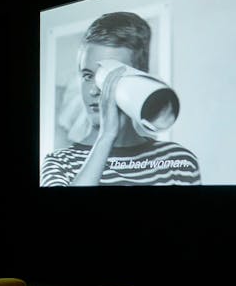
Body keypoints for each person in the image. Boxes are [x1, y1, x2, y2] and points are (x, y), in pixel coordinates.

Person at [41, 11, 201, 186]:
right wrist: (106, 137)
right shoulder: (59, 164)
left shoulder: (178, 162)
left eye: (109, 76)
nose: (93, 91)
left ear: (140, 77)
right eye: (87, 76)